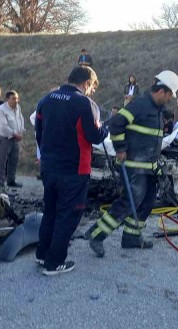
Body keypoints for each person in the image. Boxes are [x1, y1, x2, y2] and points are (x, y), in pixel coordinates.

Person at [85, 70, 178, 258]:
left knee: (147, 202)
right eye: (169, 95)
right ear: (162, 91)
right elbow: (116, 123)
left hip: (149, 167)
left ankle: (131, 237)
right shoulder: (140, 104)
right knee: (130, 201)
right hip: (134, 166)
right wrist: (120, 149)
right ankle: (96, 234)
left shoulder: (156, 110)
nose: (169, 99)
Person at [34, 66, 108, 275]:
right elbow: (95, 136)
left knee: (50, 210)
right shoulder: (84, 103)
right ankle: (55, 262)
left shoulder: (46, 99)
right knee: (68, 215)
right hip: (74, 169)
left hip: (49, 166)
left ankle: (42, 254)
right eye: (92, 86)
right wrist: (105, 128)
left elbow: (39, 132)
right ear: (86, 83)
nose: (92, 91)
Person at [0, 90, 25, 187]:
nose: (16, 100)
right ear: (7, 99)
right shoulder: (1, 109)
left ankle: (11, 180)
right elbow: (3, 126)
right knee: (2, 161)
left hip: (15, 139)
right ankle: (0, 182)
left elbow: (21, 119)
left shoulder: (18, 108)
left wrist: (20, 132)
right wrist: (15, 134)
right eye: (13, 99)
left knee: (14, 160)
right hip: (5, 138)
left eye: (17, 98)